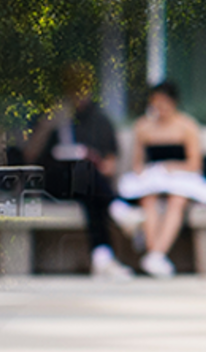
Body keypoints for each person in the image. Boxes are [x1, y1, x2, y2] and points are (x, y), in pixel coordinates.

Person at [24, 64, 130, 282]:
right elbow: (29, 155)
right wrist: (47, 125)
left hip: (88, 185)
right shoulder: (52, 116)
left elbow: (110, 165)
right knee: (90, 186)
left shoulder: (100, 121)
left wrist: (94, 162)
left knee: (89, 186)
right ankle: (118, 208)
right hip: (55, 184)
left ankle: (102, 259)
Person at [114, 82, 206, 279]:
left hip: (180, 180)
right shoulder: (143, 127)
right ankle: (155, 256)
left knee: (177, 200)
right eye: (156, 104)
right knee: (148, 199)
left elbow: (194, 163)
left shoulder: (187, 126)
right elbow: (137, 164)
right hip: (154, 182)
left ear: (173, 103)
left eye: (164, 104)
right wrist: (152, 172)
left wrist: (172, 167)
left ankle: (156, 254)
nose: (160, 109)